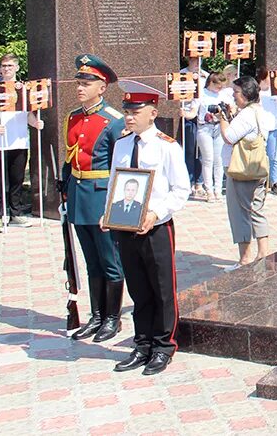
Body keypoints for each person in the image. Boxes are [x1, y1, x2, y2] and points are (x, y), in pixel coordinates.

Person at [104, 81, 190, 376]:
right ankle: (141, 345)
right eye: (127, 111)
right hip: (126, 225)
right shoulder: (122, 145)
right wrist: (109, 213)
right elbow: (116, 181)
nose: (129, 117)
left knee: (162, 288)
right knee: (138, 288)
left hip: (156, 227)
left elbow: (181, 190)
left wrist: (156, 213)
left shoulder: (167, 146)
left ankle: (163, 346)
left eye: (135, 111)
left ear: (152, 113)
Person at [61, 54, 127, 342]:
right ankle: (97, 316)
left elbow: (122, 167)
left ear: (102, 87)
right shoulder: (73, 117)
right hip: (79, 196)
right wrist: (64, 190)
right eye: (79, 82)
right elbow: (70, 160)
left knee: (110, 260)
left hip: (102, 199)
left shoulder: (114, 121)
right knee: (91, 262)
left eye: (87, 83)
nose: (80, 87)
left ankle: (113, 318)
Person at [0, 55, 44, 231]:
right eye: (3, 66)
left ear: (17, 67)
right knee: (0, 180)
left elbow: (29, 115)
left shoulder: (25, 89)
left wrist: (35, 124)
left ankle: (16, 213)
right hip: (0, 142)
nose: (6, 69)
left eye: (10, 65)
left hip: (19, 141)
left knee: (17, 179)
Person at [219, 76, 271, 268]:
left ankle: (245, 258)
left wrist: (222, 119)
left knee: (240, 212)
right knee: (257, 209)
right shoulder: (260, 111)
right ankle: (263, 253)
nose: (233, 96)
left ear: (246, 94)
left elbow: (229, 137)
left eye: (236, 92)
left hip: (241, 170)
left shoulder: (247, 114)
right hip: (258, 168)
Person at [197, 72, 234, 202]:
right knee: (208, 159)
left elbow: (231, 109)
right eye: (218, 86)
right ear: (211, 83)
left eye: (222, 86)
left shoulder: (224, 94)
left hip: (220, 126)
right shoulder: (201, 93)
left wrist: (227, 110)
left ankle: (218, 190)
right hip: (205, 128)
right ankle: (209, 190)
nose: (220, 89)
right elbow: (193, 111)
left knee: (219, 159)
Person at [179, 56, 209, 199]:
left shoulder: (206, 76)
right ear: (188, 61)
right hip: (189, 116)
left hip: (203, 118)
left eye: (199, 60)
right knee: (190, 151)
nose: (197, 63)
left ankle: (199, 182)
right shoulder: (181, 75)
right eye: (194, 60)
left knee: (202, 152)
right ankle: (189, 182)